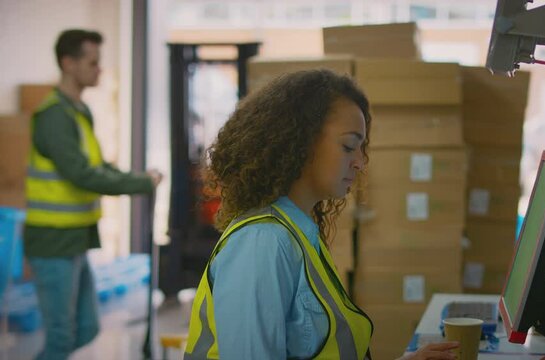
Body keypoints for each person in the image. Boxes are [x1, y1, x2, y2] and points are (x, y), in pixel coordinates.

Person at [184, 69, 458, 359]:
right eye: (349, 146)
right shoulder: (262, 242)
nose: (360, 163)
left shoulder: (299, 235)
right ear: (299, 142)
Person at [24, 29, 162, 360]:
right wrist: (142, 185)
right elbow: (82, 175)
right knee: (60, 337)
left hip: (74, 239)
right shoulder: (55, 116)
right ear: (68, 63)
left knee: (87, 328)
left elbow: (98, 166)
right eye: (93, 62)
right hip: (52, 242)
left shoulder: (77, 111)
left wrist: (139, 177)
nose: (99, 69)